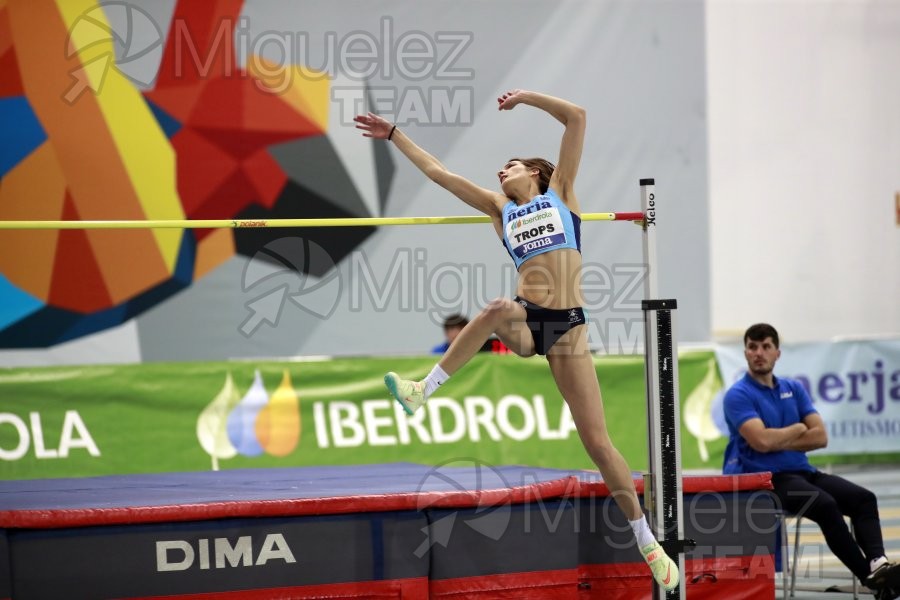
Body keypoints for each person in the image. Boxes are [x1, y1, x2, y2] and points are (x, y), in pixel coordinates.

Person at [354, 89, 679, 591]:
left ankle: (646, 541)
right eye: (500, 170)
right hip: (528, 320)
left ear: (536, 173)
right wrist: (395, 134)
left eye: (510, 166)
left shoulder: (562, 194)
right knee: (495, 308)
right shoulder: (498, 210)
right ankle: (424, 390)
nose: (501, 173)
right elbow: (439, 173)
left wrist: (525, 98)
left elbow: (577, 116)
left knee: (597, 442)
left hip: (568, 326)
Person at [723, 323, 899, 600]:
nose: (759, 353)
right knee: (825, 505)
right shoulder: (738, 395)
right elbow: (761, 442)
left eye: (766, 346)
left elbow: (820, 437)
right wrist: (796, 429)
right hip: (765, 479)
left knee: (863, 498)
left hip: (803, 471)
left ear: (777, 353)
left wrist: (778, 437)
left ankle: (878, 564)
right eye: (753, 347)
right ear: (745, 352)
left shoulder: (793, 388)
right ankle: (871, 579)